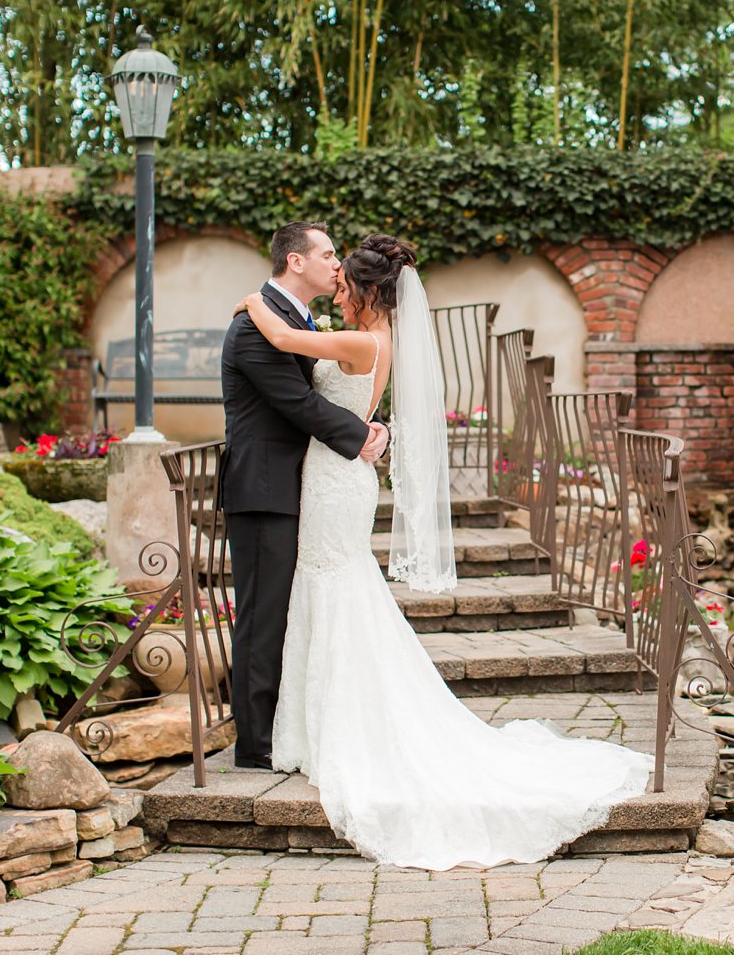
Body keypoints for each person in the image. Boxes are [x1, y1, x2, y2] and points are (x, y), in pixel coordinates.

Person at [232, 233, 652, 870]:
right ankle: (304, 727)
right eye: (332, 273)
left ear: (367, 292)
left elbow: (291, 349)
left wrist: (252, 305)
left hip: (332, 477)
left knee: (334, 590)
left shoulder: (358, 339)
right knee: (330, 592)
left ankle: (317, 730)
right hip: (330, 474)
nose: (337, 288)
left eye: (345, 282)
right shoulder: (376, 339)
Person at [220, 221, 389, 771]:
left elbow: (330, 382)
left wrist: (372, 426)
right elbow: (296, 400)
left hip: (305, 486)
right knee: (263, 616)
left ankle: (291, 727)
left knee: (291, 613)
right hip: (265, 489)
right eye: (328, 253)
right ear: (296, 262)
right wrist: (358, 434)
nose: (337, 264)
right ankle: (255, 745)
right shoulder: (254, 326)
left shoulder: (294, 321)